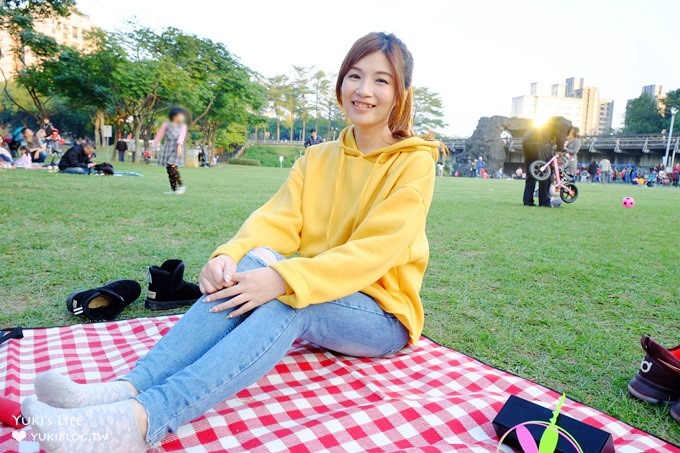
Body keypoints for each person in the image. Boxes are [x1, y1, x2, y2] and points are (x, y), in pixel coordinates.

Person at [23, 32, 442, 453]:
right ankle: (121, 390)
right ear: (340, 82)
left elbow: (374, 251)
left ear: (400, 93)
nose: (364, 90)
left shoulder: (414, 162)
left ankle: (139, 421)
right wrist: (230, 255)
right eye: (355, 75)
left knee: (289, 297)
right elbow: (277, 219)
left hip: (383, 314)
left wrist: (284, 279)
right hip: (326, 290)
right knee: (255, 265)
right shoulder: (318, 158)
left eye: (381, 80)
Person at [522, 116, 571, 207]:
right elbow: (561, 136)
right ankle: (544, 201)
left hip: (526, 140)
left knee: (533, 171)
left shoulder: (550, 122)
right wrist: (560, 149)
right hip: (541, 142)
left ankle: (527, 201)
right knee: (546, 172)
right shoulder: (565, 122)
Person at [153, 107, 188, 194]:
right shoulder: (166, 125)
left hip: (177, 148)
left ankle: (181, 186)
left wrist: (179, 146)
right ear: (174, 116)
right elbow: (159, 136)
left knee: (172, 166)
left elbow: (181, 136)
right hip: (168, 148)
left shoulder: (183, 126)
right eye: (181, 115)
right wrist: (154, 147)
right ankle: (174, 189)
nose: (183, 117)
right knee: (169, 168)